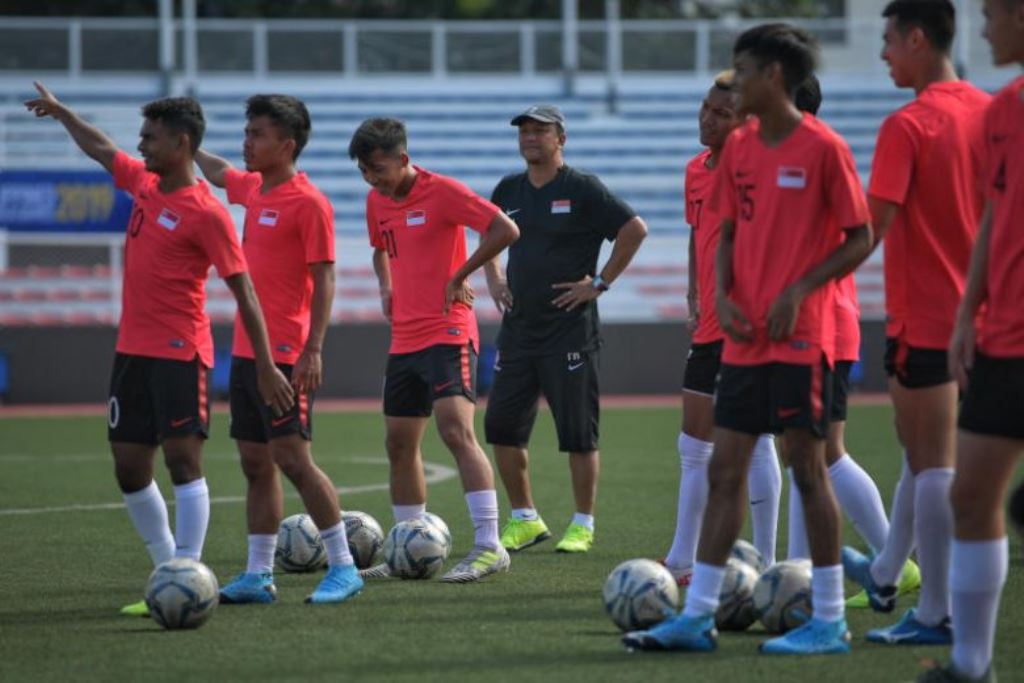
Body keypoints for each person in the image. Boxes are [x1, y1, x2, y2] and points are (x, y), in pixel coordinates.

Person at [623, 23, 871, 655]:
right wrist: (724, 295)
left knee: (809, 470)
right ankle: (698, 615)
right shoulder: (739, 151)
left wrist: (799, 290)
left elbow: (859, 236)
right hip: (743, 338)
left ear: (776, 78)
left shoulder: (823, 149)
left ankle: (830, 618)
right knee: (725, 468)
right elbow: (726, 228)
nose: (733, 82)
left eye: (745, 70)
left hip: (801, 334)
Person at [24, 82, 294, 616]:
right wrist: (62, 114)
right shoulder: (145, 183)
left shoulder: (207, 212)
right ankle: (170, 571)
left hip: (180, 353)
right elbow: (103, 150)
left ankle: (187, 572)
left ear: (183, 143)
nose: (141, 145)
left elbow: (245, 291)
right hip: (132, 353)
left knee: (182, 462)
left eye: (151, 137)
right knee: (129, 467)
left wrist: (266, 365)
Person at [841, 0, 991, 646]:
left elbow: (870, 228)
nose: (883, 55)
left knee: (933, 464)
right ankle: (884, 571)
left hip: (928, 320)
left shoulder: (908, 125)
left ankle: (936, 611)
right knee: (923, 454)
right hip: (987, 319)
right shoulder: (993, 114)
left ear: (919, 39)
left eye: (890, 42)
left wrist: (803, 277)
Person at [195, 94, 361, 604]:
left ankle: (345, 566)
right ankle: (259, 575)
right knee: (254, 462)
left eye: (257, 135)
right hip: (247, 350)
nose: (247, 143)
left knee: (293, 457)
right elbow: (222, 173)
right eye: (247, 134)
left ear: (286, 145)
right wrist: (189, 147)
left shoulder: (309, 203)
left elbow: (325, 277)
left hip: (287, 353)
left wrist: (313, 349)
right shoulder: (256, 188)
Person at [348, 117, 520, 583]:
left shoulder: (443, 191)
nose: (372, 180)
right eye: (365, 172)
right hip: (404, 335)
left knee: (454, 431)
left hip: (449, 329)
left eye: (378, 169)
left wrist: (461, 273)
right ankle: (407, 544)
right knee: (399, 443)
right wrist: (385, 285)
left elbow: (504, 230)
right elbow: (379, 248)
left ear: (403, 159)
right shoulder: (375, 201)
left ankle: (489, 545)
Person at [482, 105, 647, 555]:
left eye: (540, 131)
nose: (530, 138)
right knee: (500, 426)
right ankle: (525, 518)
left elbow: (634, 229)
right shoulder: (509, 188)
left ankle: (583, 523)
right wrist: (494, 276)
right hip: (519, 329)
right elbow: (489, 232)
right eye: (525, 131)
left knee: (577, 432)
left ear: (561, 139)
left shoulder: (582, 188)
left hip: (570, 331)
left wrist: (599, 283)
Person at [783, 76, 921, 608]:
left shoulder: (814, 155)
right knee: (805, 447)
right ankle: (804, 569)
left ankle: (890, 561)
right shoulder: (799, 153)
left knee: (821, 451)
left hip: (820, 321)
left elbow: (853, 236)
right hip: (818, 319)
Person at [918, 0, 1024, 679]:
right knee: (971, 495)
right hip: (1004, 337)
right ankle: (971, 664)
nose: (983, 29)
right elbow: (994, 216)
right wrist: (967, 316)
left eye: (991, 13)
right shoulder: (1000, 111)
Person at [662, 72, 781, 584]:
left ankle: (769, 558)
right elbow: (697, 235)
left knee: (757, 442)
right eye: (705, 108)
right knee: (693, 443)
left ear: (745, 122)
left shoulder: (758, 171)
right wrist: (694, 292)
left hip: (747, 324)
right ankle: (682, 556)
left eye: (721, 113)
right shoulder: (695, 170)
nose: (707, 118)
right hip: (710, 322)